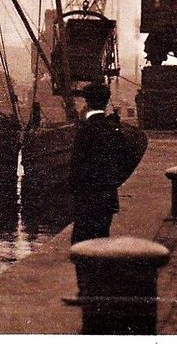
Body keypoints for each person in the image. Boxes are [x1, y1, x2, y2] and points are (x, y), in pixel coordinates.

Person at [69, 83, 126, 243]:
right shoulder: (113, 128)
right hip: (107, 192)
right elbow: (121, 159)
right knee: (102, 234)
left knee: (81, 237)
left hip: (87, 193)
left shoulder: (86, 129)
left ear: (88, 102)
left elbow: (76, 164)